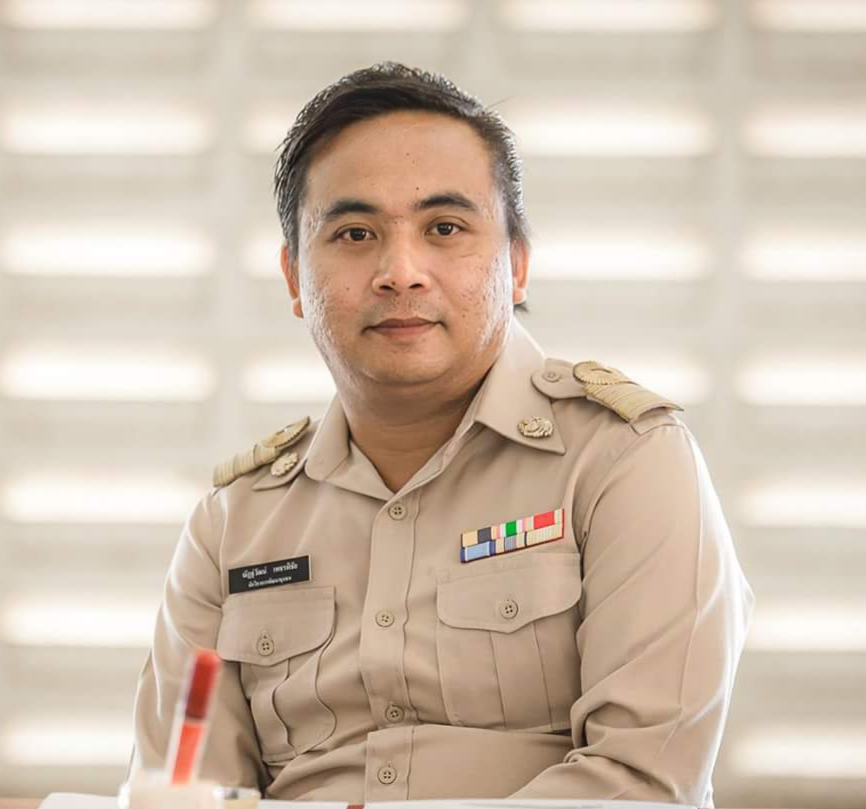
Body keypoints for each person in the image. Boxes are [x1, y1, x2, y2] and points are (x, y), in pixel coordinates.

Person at [128, 61, 755, 805]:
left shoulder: (624, 461)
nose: (400, 272)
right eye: (355, 233)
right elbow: (183, 789)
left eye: (445, 228)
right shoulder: (234, 523)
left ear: (516, 265)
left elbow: (643, 784)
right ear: (295, 278)